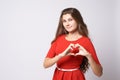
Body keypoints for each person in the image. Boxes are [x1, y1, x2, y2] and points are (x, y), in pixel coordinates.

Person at [43, 7, 103, 80]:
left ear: (78, 20)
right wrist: (61, 55)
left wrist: (88, 56)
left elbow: (99, 73)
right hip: (58, 76)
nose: (67, 24)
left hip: (76, 77)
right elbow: (45, 64)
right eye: (64, 21)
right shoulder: (59, 39)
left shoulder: (85, 41)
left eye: (70, 20)